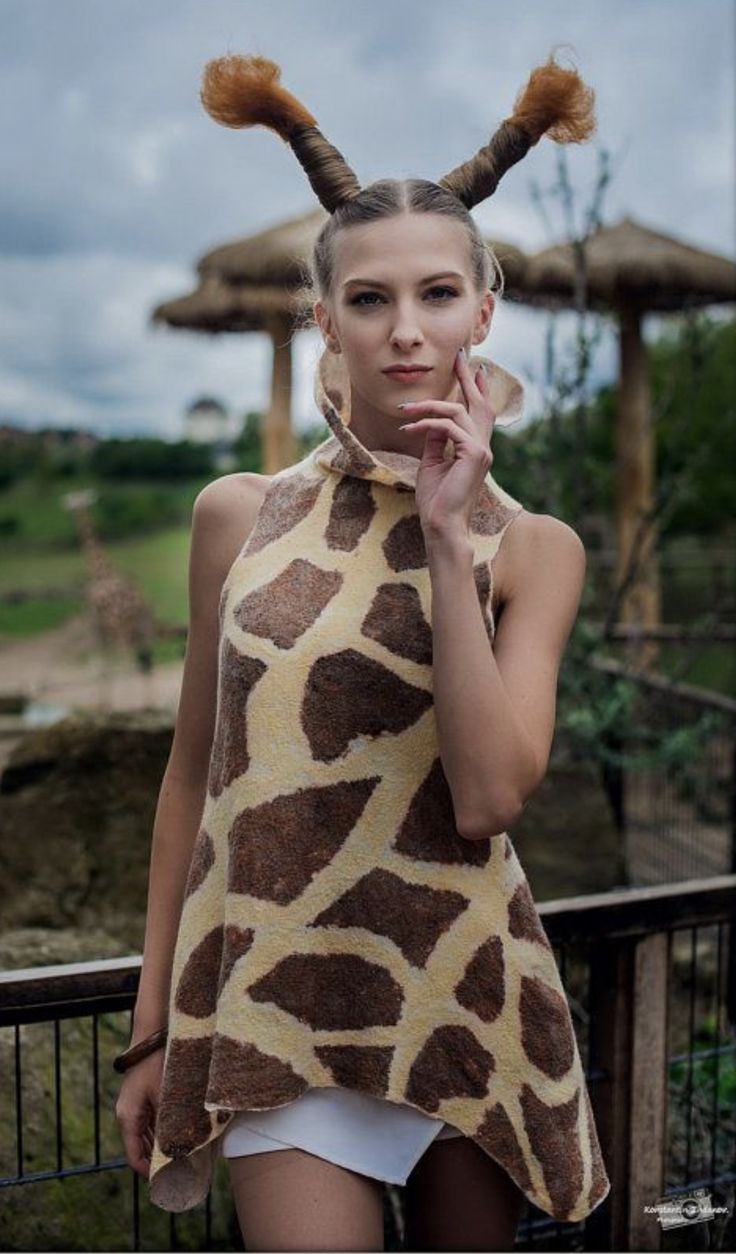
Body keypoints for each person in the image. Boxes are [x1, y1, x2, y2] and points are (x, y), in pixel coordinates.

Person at [114, 50, 610, 1252]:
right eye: (371, 299)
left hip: (462, 999)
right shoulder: (236, 517)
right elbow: (196, 777)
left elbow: (489, 797)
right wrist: (151, 1025)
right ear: (323, 314)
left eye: (437, 296)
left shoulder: (532, 548)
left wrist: (449, 538)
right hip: (277, 1010)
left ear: (482, 314)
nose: (405, 332)